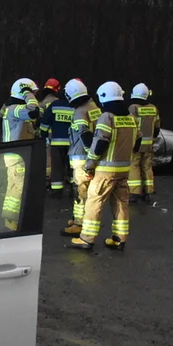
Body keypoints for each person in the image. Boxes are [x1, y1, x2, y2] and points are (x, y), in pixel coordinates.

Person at [70, 82, 141, 251]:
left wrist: (90, 164)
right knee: (121, 204)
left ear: (104, 97)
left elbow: (100, 142)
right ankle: (119, 238)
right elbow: (137, 142)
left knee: (94, 203)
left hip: (105, 170)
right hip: (124, 169)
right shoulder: (131, 118)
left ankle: (86, 239)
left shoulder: (107, 117)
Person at [61, 79, 101, 237]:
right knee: (86, 191)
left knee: (80, 191)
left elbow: (85, 135)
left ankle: (79, 223)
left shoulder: (79, 112)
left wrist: (90, 157)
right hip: (90, 156)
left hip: (81, 157)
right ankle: (80, 219)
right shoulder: (94, 107)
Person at [0, 78, 40, 229]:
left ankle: (14, 221)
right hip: (16, 156)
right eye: (32, 92)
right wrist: (27, 93)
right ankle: (11, 223)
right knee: (16, 190)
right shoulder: (16, 109)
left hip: (17, 155)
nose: (33, 96)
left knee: (16, 188)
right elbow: (34, 111)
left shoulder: (14, 109)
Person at [38, 82, 75, 198]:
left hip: (57, 142)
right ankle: (74, 190)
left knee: (57, 167)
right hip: (72, 143)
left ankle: (56, 192)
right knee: (72, 167)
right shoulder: (75, 107)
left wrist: (42, 136)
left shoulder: (54, 105)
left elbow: (44, 124)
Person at [128, 82, 160, 202]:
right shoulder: (153, 108)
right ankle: (148, 191)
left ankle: (135, 192)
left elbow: (130, 125)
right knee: (147, 166)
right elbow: (157, 127)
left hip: (137, 142)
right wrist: (152, 139)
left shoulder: (133, 108)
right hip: (149, 143)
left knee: (134, 166)